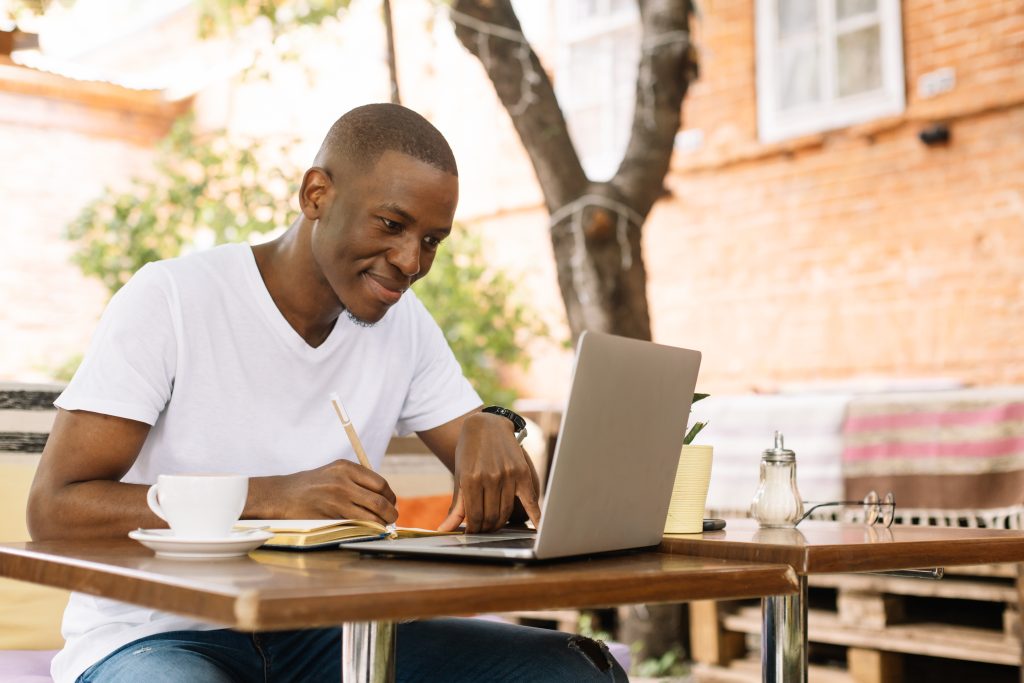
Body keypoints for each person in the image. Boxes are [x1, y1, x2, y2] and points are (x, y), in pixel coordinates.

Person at [27, 103, 627, 682]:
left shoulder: (404, 323)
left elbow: (490, 478)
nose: (410, 261)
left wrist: (494, 425)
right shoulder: (172, 299)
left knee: (570, 668)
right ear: (316, 194)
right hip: (159, 634)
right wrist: (271, 498)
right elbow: (55, 511)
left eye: (432, 241)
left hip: (331, 631)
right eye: (392, 225)